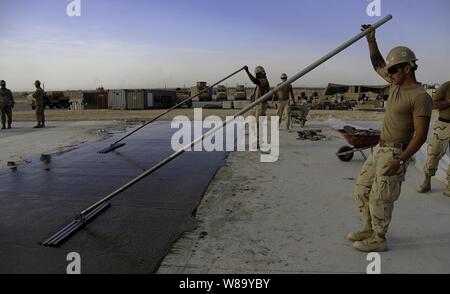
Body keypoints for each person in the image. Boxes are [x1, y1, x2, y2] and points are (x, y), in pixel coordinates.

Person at [349, 24, 432, 252]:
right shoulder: (394, 83)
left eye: (394, 70)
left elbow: (421, 135)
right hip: (379, 149)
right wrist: (371, 40)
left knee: (381, 198)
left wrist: (402, 160)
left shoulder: (420, 97)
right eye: (390, 71)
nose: (390, 74)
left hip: (396, 153)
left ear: (407, 67)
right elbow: (378, 64)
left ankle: (379, 237)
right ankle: (368, 227)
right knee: (362, 190)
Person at [417, 81, 450, 196]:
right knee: (434, 153)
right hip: (443, 125)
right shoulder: (447, 86)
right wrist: (448, 102)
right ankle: (427, 181)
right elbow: (433, 104)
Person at [244, 65, 270, 148]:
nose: (256, 76)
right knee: (251, 121)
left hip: (260, 105)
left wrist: (247, 71)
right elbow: (257, 91)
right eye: (256, 74)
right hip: (255, 104)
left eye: (257, 74)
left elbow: (254, 81)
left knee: (257, 124)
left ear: (262, 73)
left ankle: (257, 142)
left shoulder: (264, 80)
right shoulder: (260, 81)